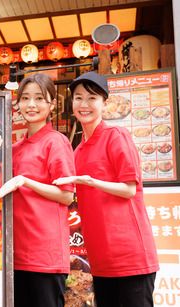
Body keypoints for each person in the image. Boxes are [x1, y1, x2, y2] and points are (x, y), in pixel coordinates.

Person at [54, 71, 159, 307]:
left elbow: (129, 189)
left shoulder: (116, 136)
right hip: (100, 261)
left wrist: (90, 181)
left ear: (105, 104)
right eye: (79, 98)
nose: (85, 104)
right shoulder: (77, 151)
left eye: (92, 98)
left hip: (130, 257)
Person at [0, 73, 75, 307]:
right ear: (17, 103)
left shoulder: (56, 141)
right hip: (14, 254)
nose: (31, 104)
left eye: (40, 98)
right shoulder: (15, 147)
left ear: (52, 105)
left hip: (44, 256)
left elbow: (67, 195)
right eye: (26, 98)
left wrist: (25, 181)